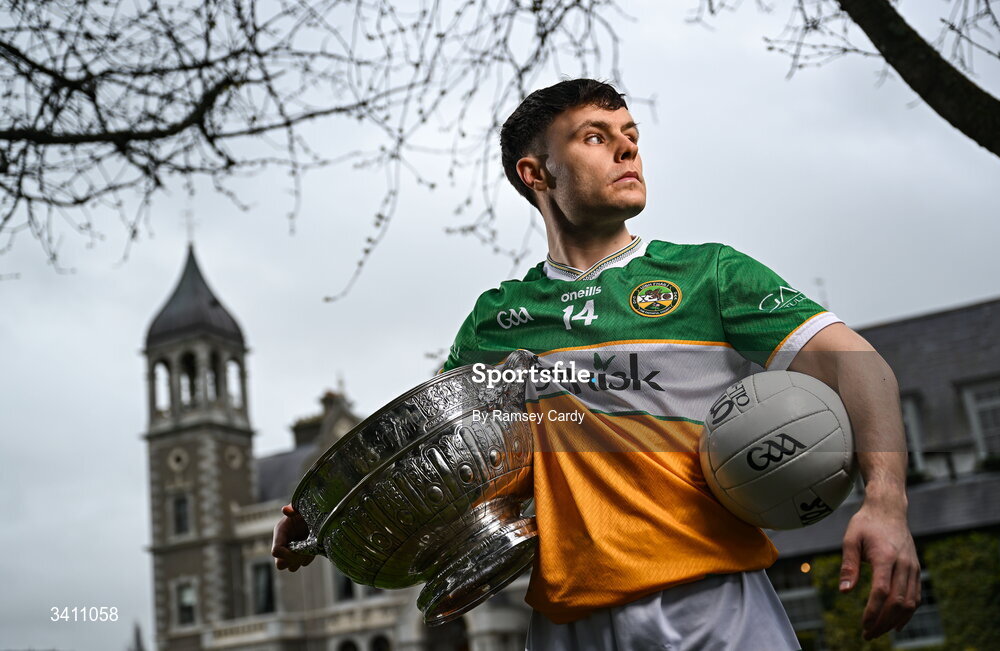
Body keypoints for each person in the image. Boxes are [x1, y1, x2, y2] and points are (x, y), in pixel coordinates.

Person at [273, 78, 920, 648]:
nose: (627, 147)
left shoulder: (710, 275)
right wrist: (318, 516)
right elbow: (434, 453)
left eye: (630, 134)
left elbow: (861, 367)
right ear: (538, 174)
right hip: (568, 622)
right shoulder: (499, 318)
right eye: (595, 135)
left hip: (714, 606)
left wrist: (886, 502)